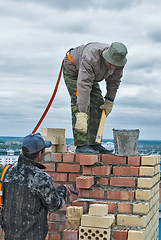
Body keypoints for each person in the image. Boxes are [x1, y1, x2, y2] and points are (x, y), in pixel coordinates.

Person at [2, 133, 70, 240]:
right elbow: (54, 205)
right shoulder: (41, 178)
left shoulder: (8, 171)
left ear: (23, 151)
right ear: (39, 153)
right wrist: (62, 190)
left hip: (10, 235)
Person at [63, 42, 128, 154]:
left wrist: (109, 101)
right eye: (111, 63)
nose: (113, 66)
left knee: (98, 104)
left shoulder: (119, 62)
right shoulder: (91, 57)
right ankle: (81, 145)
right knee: (80, 104)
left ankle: (94, 143)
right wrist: (82, 112)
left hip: (90, 76)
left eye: (115, 64)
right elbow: (84, 85)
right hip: (73, 68)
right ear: (105, 56)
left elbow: (114, 82)